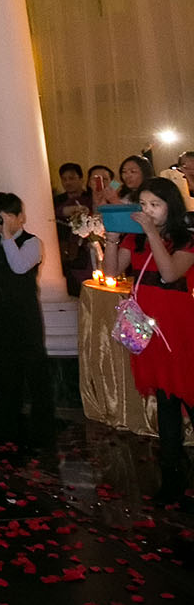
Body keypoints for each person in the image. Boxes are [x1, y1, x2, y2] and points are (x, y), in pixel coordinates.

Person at [127, 178, 194, 507]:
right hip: (149, 329)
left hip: (179, 331)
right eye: (143, 204)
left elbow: (169, 275)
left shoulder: (187, 240)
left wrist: (152, 234)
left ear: (171, 206)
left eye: (155, 204)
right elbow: (112, 269)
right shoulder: (137, 238)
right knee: (166, 404)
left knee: (190, 396)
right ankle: (172, 479)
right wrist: (111, 240)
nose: (147, 211)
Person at [0, 193, 55, 450]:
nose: (3, 221)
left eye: (9, 215)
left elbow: (19, 266)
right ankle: (6, 425)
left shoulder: (33, 243)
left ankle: (42, 430)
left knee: (35, 371)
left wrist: (7, 234)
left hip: (24, 315)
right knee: (6, 372)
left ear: (21, 217)